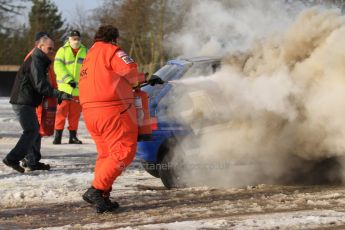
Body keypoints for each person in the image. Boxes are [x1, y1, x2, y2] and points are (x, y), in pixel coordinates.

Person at [79, 25, 164, 213]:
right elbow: (131, 74)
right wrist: (148, 78)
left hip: (90, 112)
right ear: (114, 39)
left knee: (107, 154)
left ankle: (102, 197)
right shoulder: (112, 51)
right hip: (113, 110)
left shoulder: (88, 56)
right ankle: (96, 190)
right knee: (124, 150)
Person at [2, 35, 72, 173]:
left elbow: (43, 84)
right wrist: (58, 94)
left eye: (53, 49)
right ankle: (12, 159)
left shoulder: (40, 59)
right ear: (40, 47)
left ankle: (31, 161)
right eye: (49, 48)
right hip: (23, 101)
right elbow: (41, 85)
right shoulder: (36, 60)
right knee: (32, 131)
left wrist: (56, 94)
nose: (52, 51)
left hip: (27, 101)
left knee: (34, 131)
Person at [21, 32, 58, 169]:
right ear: (39, 44)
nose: (51, 50)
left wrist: (55, 91)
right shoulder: (34, 58)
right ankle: (30, 159)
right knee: (34, 129)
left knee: (37, 129)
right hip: (36, 98)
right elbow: (38, 81)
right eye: (49, 47)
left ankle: (32, 158)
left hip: (43, 97)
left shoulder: (43, 58)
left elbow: (51, 77)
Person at [53, 30, 87, 145]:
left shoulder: (85, 51)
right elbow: (58, 67)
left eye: (77, 38)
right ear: (69, 39)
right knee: (60, 113)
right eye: (74, 38)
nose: (76, 40)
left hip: (79, 90)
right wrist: (68, 79)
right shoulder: (62, 51)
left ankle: (72, 137)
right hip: (64, 89)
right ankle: (58, 136)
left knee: (75, 115)